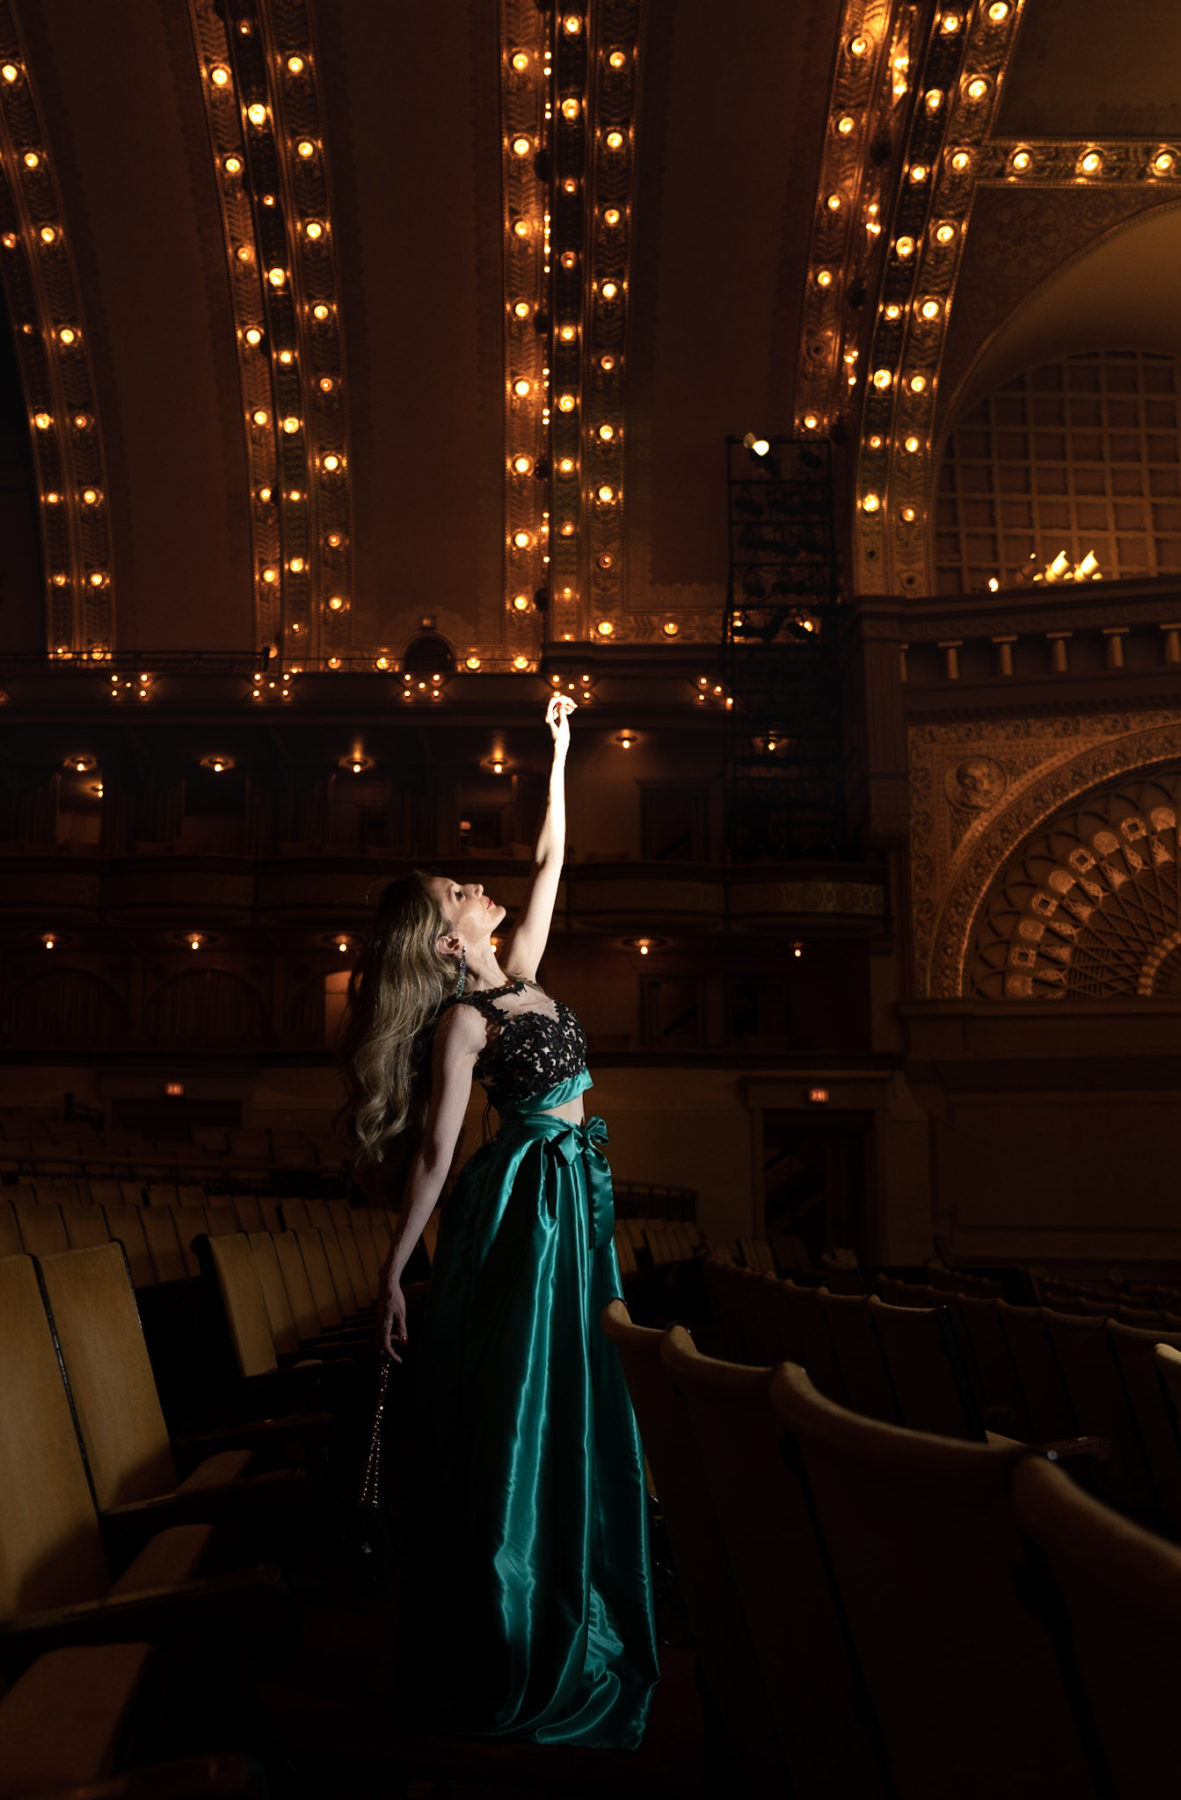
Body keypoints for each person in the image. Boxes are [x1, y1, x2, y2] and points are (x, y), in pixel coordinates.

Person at [341, 693, 659, 1750]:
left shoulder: (521, 975)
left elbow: (551, 860)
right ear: (444, 940)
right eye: (461, 892)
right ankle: (515, 1620)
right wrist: (396, 1271)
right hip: (524, 1204)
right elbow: (435, 1154)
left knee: (574, 1382)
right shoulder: (466, 1025)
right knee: (526, 1395)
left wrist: (560, 753)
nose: (482, 888)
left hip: (576, 1195)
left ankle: (570, 1577)